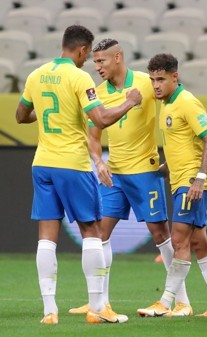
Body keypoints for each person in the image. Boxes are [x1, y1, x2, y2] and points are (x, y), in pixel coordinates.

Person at [15, 25, 142, 324]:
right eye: (88, 55)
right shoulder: (78, 76)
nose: (88, 62)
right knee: (93, 231)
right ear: (82, 50)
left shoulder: (36, 74)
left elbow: (21, 116)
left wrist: (50, 109)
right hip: (71, 163)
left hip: (42, 163)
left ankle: (49, 311)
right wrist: (129, 102)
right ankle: (98, 308)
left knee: (46, 238)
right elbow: (100, 119)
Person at [67, 38, 192, 318]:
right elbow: (94, 136)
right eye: (94, 61)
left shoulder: (146, 82)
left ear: (118, 58)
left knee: (161, 233)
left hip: (144, 172)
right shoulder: (97, 92)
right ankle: (99, 302)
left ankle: (181, 301)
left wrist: (198, 117)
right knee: (99, 233)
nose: (96, 66)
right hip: (116, 174)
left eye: (101, 61)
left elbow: (177, 98)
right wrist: (98, 161)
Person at [144, 53, 207, 317]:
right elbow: (182, 145)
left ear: (175, 77)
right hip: (180, 180)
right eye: (152, 80)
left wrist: (199, 178)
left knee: (179, 239)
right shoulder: (167, 104)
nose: (156, 85)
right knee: (199, 243)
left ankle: (166, 302)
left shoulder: (187, 102)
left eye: (161, 79)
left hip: (192, 183)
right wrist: (160, 170)